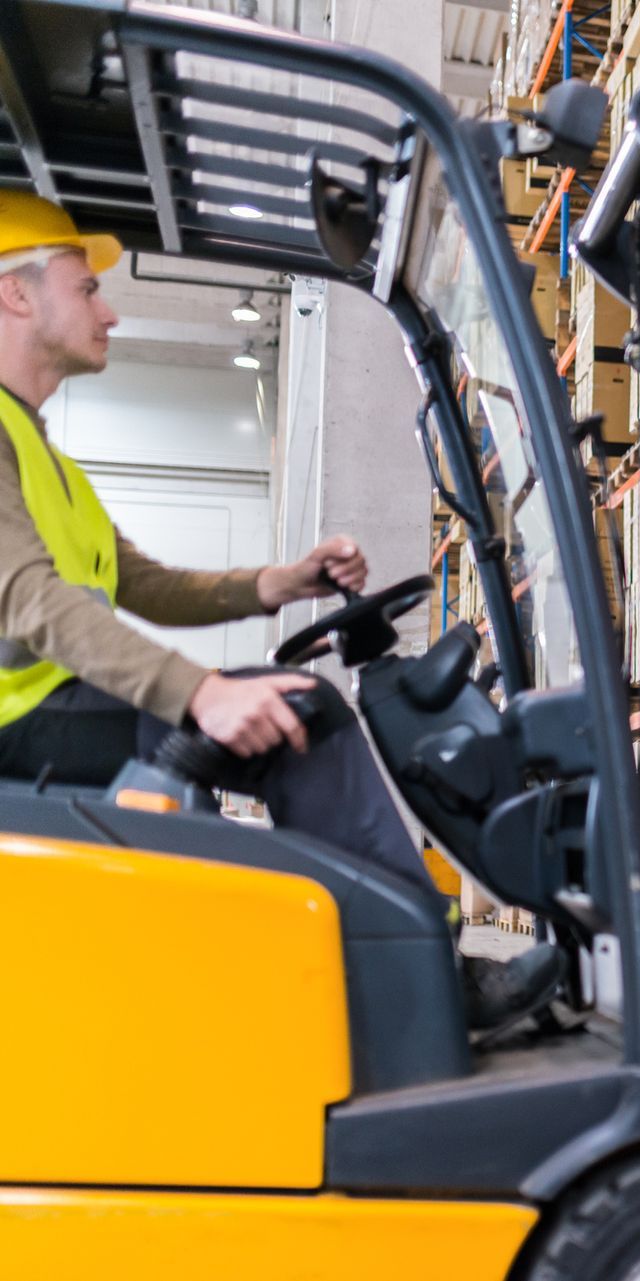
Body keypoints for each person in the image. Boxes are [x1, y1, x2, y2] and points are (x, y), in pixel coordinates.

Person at [0, 191, 555, 1028]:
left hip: (57, 713)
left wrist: (281, 582)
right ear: (16, 293)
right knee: (300, 716)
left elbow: (142, 582)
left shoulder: (45, 455)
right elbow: (29, 599)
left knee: (289, 709)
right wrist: (201, 693)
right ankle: (423, 984)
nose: (108, 310)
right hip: (27, 728)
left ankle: (389, 974)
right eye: (86, 288)